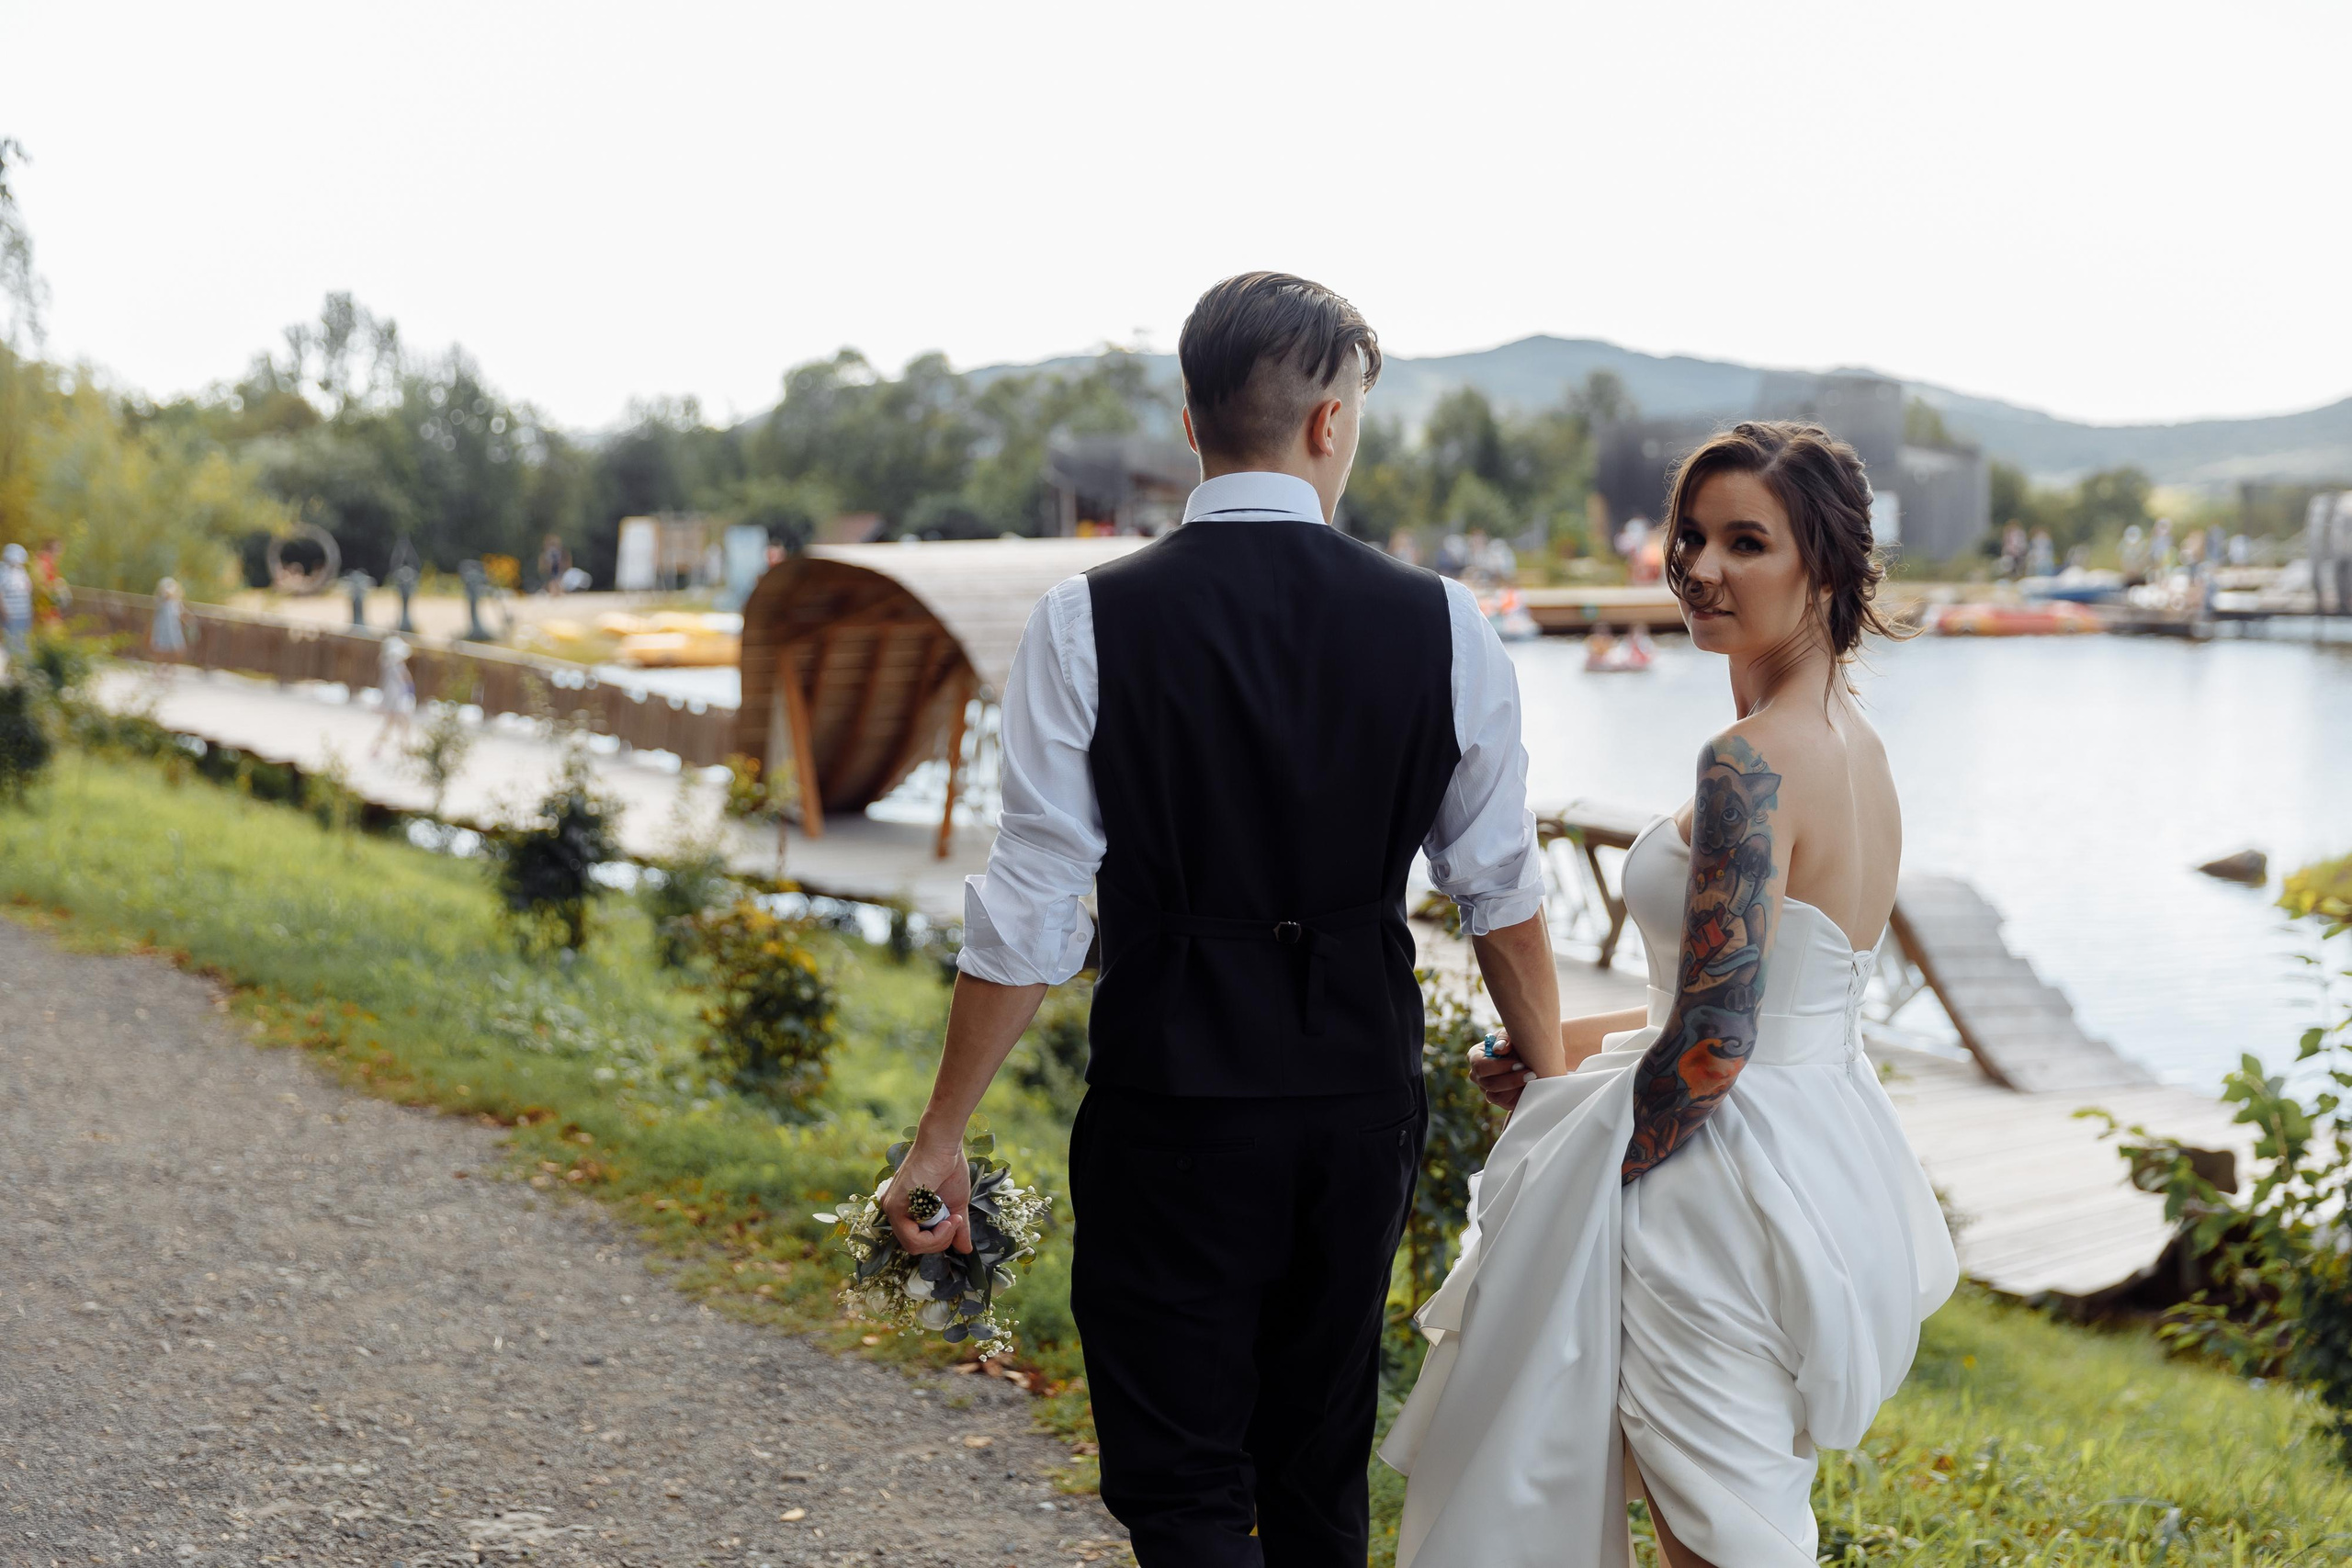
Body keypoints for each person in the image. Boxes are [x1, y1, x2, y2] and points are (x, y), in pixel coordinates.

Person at [886, 272, 1560, 1567]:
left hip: (1170, 1101)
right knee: (1315, 1467)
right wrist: (1545, 1070)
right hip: (1358, 1100)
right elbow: (1501, 889)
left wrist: (943, 1131)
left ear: (1191, 424)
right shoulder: (1445, 623)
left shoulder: (1083, 621)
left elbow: (1032, 906)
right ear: (1329, 423)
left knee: (1182, 1478)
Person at [1383, 422, 1956, 1567]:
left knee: (1715, 1538)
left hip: (1713, 1184)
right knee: (1731, 1519)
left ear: (1824, 567)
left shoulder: (1749, 763)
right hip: (1822, 1146)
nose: (1698, 567)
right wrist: (1555, 1046)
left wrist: (1582, 1167)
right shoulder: (1858, 748)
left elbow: (1711, 1046)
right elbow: (1769, 1003)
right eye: (1690, 536)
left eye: (1746, 542)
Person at [368, 636, 416, 758]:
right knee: (400, 724)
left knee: (393, 725)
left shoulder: (390, 664)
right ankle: (403, 749)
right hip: (397, 701)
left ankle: (379, 748)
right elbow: (403, 682)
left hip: (396, 700)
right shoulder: (394, 665)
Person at [0, 543, 32, 663]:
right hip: (10, 614)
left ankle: (20, 665)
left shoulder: (21, 572)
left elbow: (28, 589)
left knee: (22, 640)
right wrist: (4, 611)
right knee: (11, 641)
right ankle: (12, 664)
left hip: (23, 613)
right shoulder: (3, 571)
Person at [149, 578, 187, 661]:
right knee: (160, 647)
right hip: (162, 627)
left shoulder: (176, 602)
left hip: (173, 627)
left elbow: (180, 613)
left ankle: (170, 665)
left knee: (177, 647)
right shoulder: (160, 601)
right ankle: (159, 664)